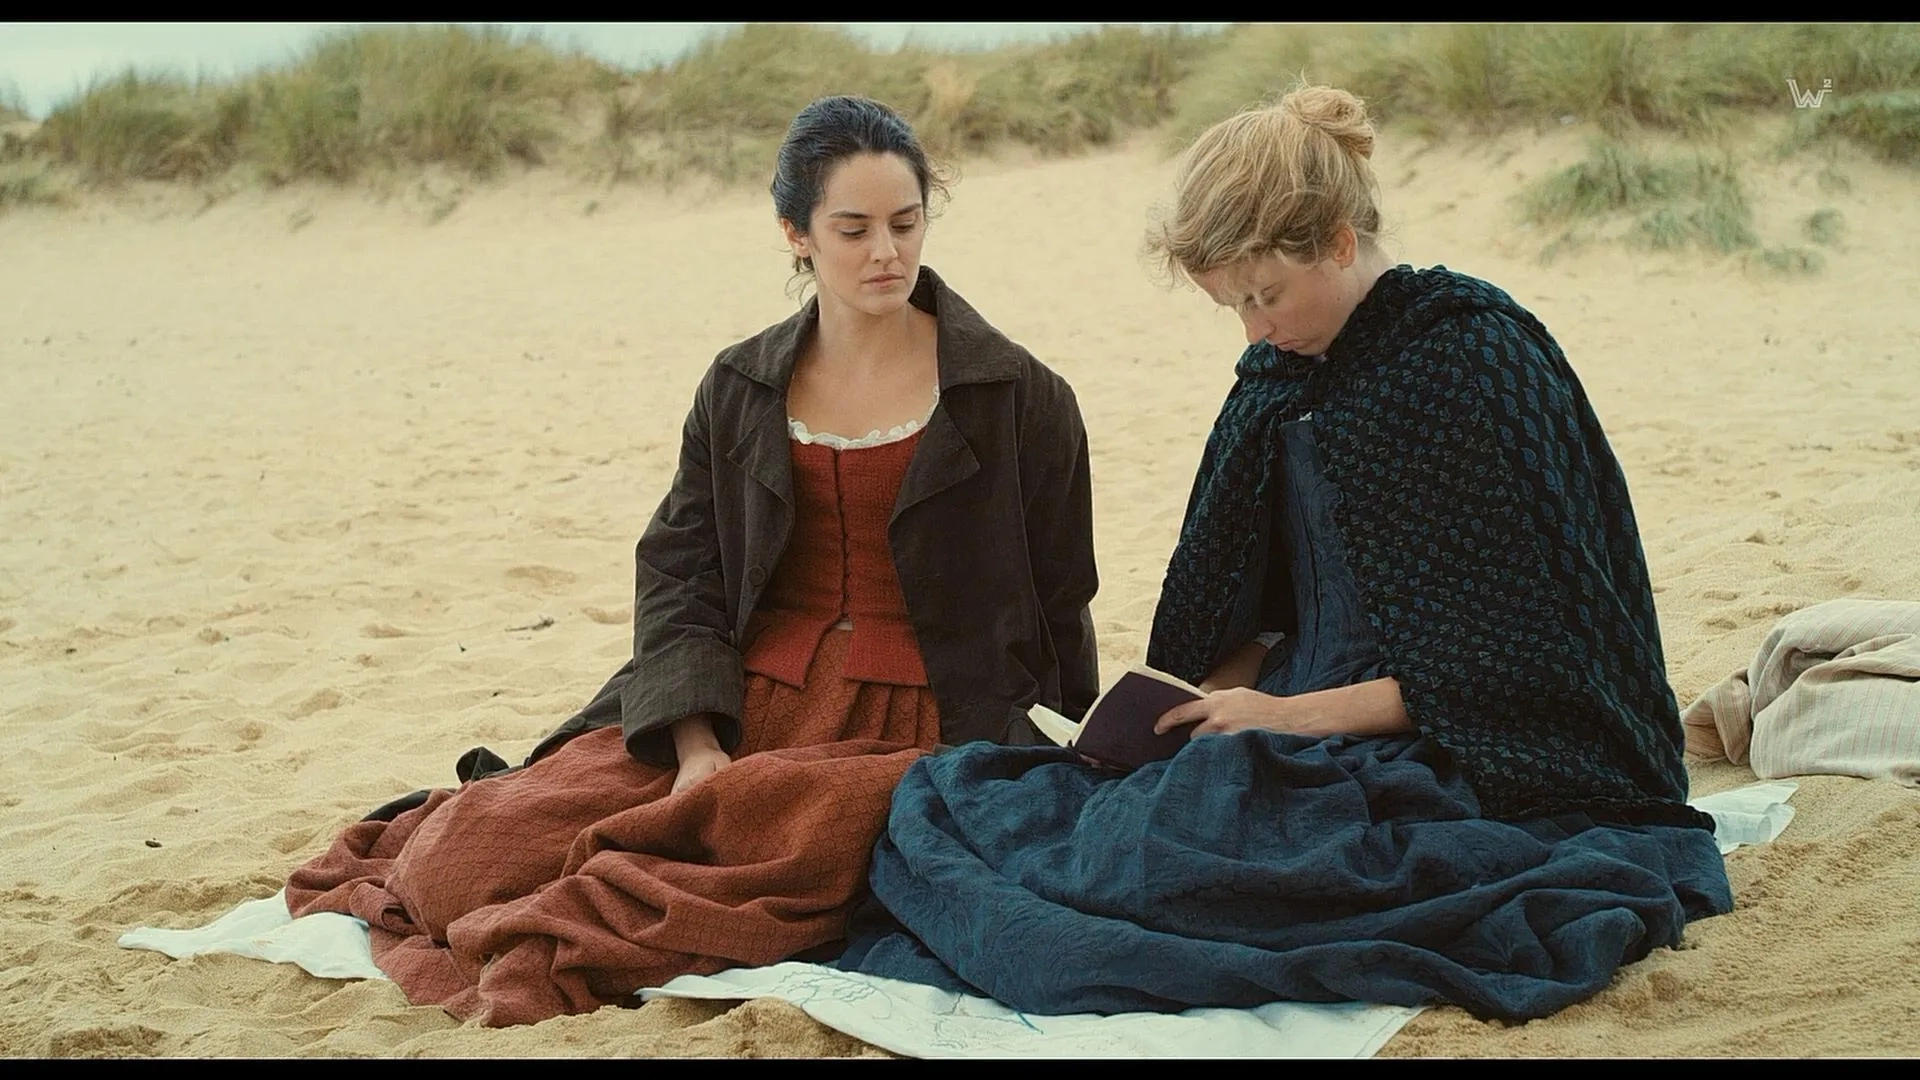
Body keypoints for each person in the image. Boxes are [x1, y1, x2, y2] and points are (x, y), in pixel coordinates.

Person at [837, 83, 1734, 1023]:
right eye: (1235, 306)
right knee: (970, 802)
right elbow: (1251, 602)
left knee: (1209, 857)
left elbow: (1520, 661)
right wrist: (1199, 706)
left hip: (1470, 751)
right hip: (1294, 709)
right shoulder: (1281, 373)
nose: (1254, 329)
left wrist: (1289, 718)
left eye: (1267, 296)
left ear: (1341, 243)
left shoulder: (1475, 360)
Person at [283, 95, 1100, 1028]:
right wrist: (696, 746)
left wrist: (1056, 771)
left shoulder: (1019, 395)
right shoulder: (741, 385)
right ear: (797, 233)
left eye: (906, 223)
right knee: (462, 860)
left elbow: (1060, 590)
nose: (888, 252)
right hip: (739, 696)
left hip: (915, 719)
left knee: (786, 834)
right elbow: (679, 566)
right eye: (854, 228)